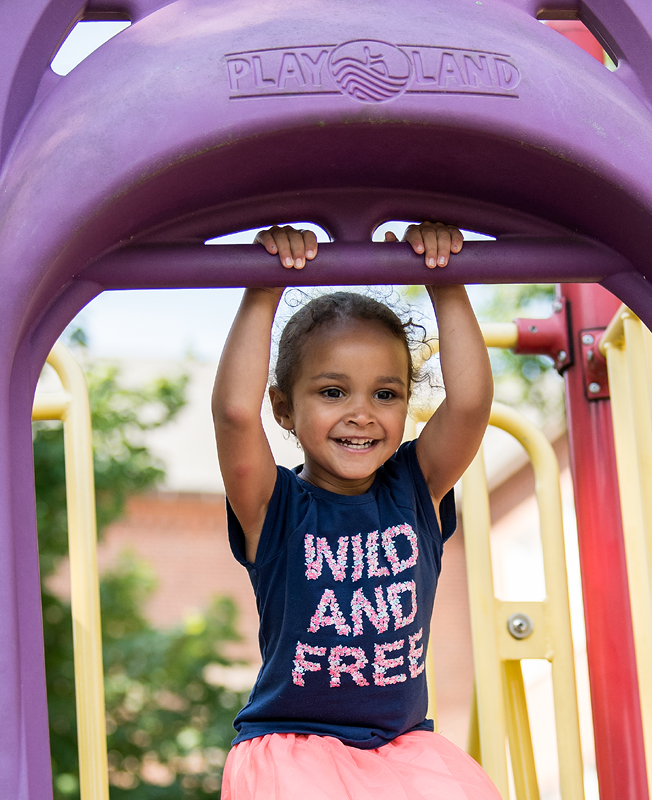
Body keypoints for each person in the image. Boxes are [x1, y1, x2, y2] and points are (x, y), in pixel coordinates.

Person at [212, 223, 499, 799]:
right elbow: (235, 416)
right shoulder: (275, 508)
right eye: (333, 392)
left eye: (385, 394)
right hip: (296, 749)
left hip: (401, 748)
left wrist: (445, 281)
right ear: (285, 408)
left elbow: (469, 404)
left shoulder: (414, 490)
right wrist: (261, 289)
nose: (362, 414)